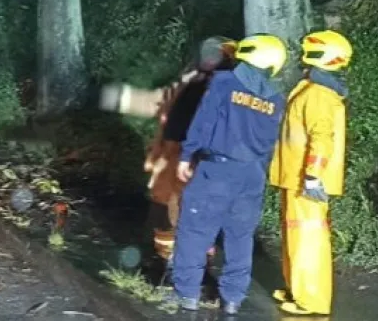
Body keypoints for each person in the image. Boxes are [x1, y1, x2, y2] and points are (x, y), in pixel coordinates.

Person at [170, 34, 288, 315]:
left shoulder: (224, 83)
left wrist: (187, 156)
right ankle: (232, 299)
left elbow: (204, 121)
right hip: (252, 175)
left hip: (218, 169)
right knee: (240, 237)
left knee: (195, 230)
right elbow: (271, 140)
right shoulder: (276, 97)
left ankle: (187, 296)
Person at [98, 38, 237, 261]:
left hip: (196, 156)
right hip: (172, 153)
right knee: (164, 203)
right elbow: (160, 102)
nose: (210, 58)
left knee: (189, 205)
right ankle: (167, 257)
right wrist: (113, 97)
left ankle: (191, 259)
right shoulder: (191, 81)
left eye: (216, 55)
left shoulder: (228, 89)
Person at [269, 30, 353, 316]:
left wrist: (313, 175)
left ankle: (311, 300)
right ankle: (298, 288)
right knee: (295, 237)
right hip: (296, 177)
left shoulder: (319, 95)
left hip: (305, 180)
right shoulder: (314, 88)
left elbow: (322, 138)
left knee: (307, 241)